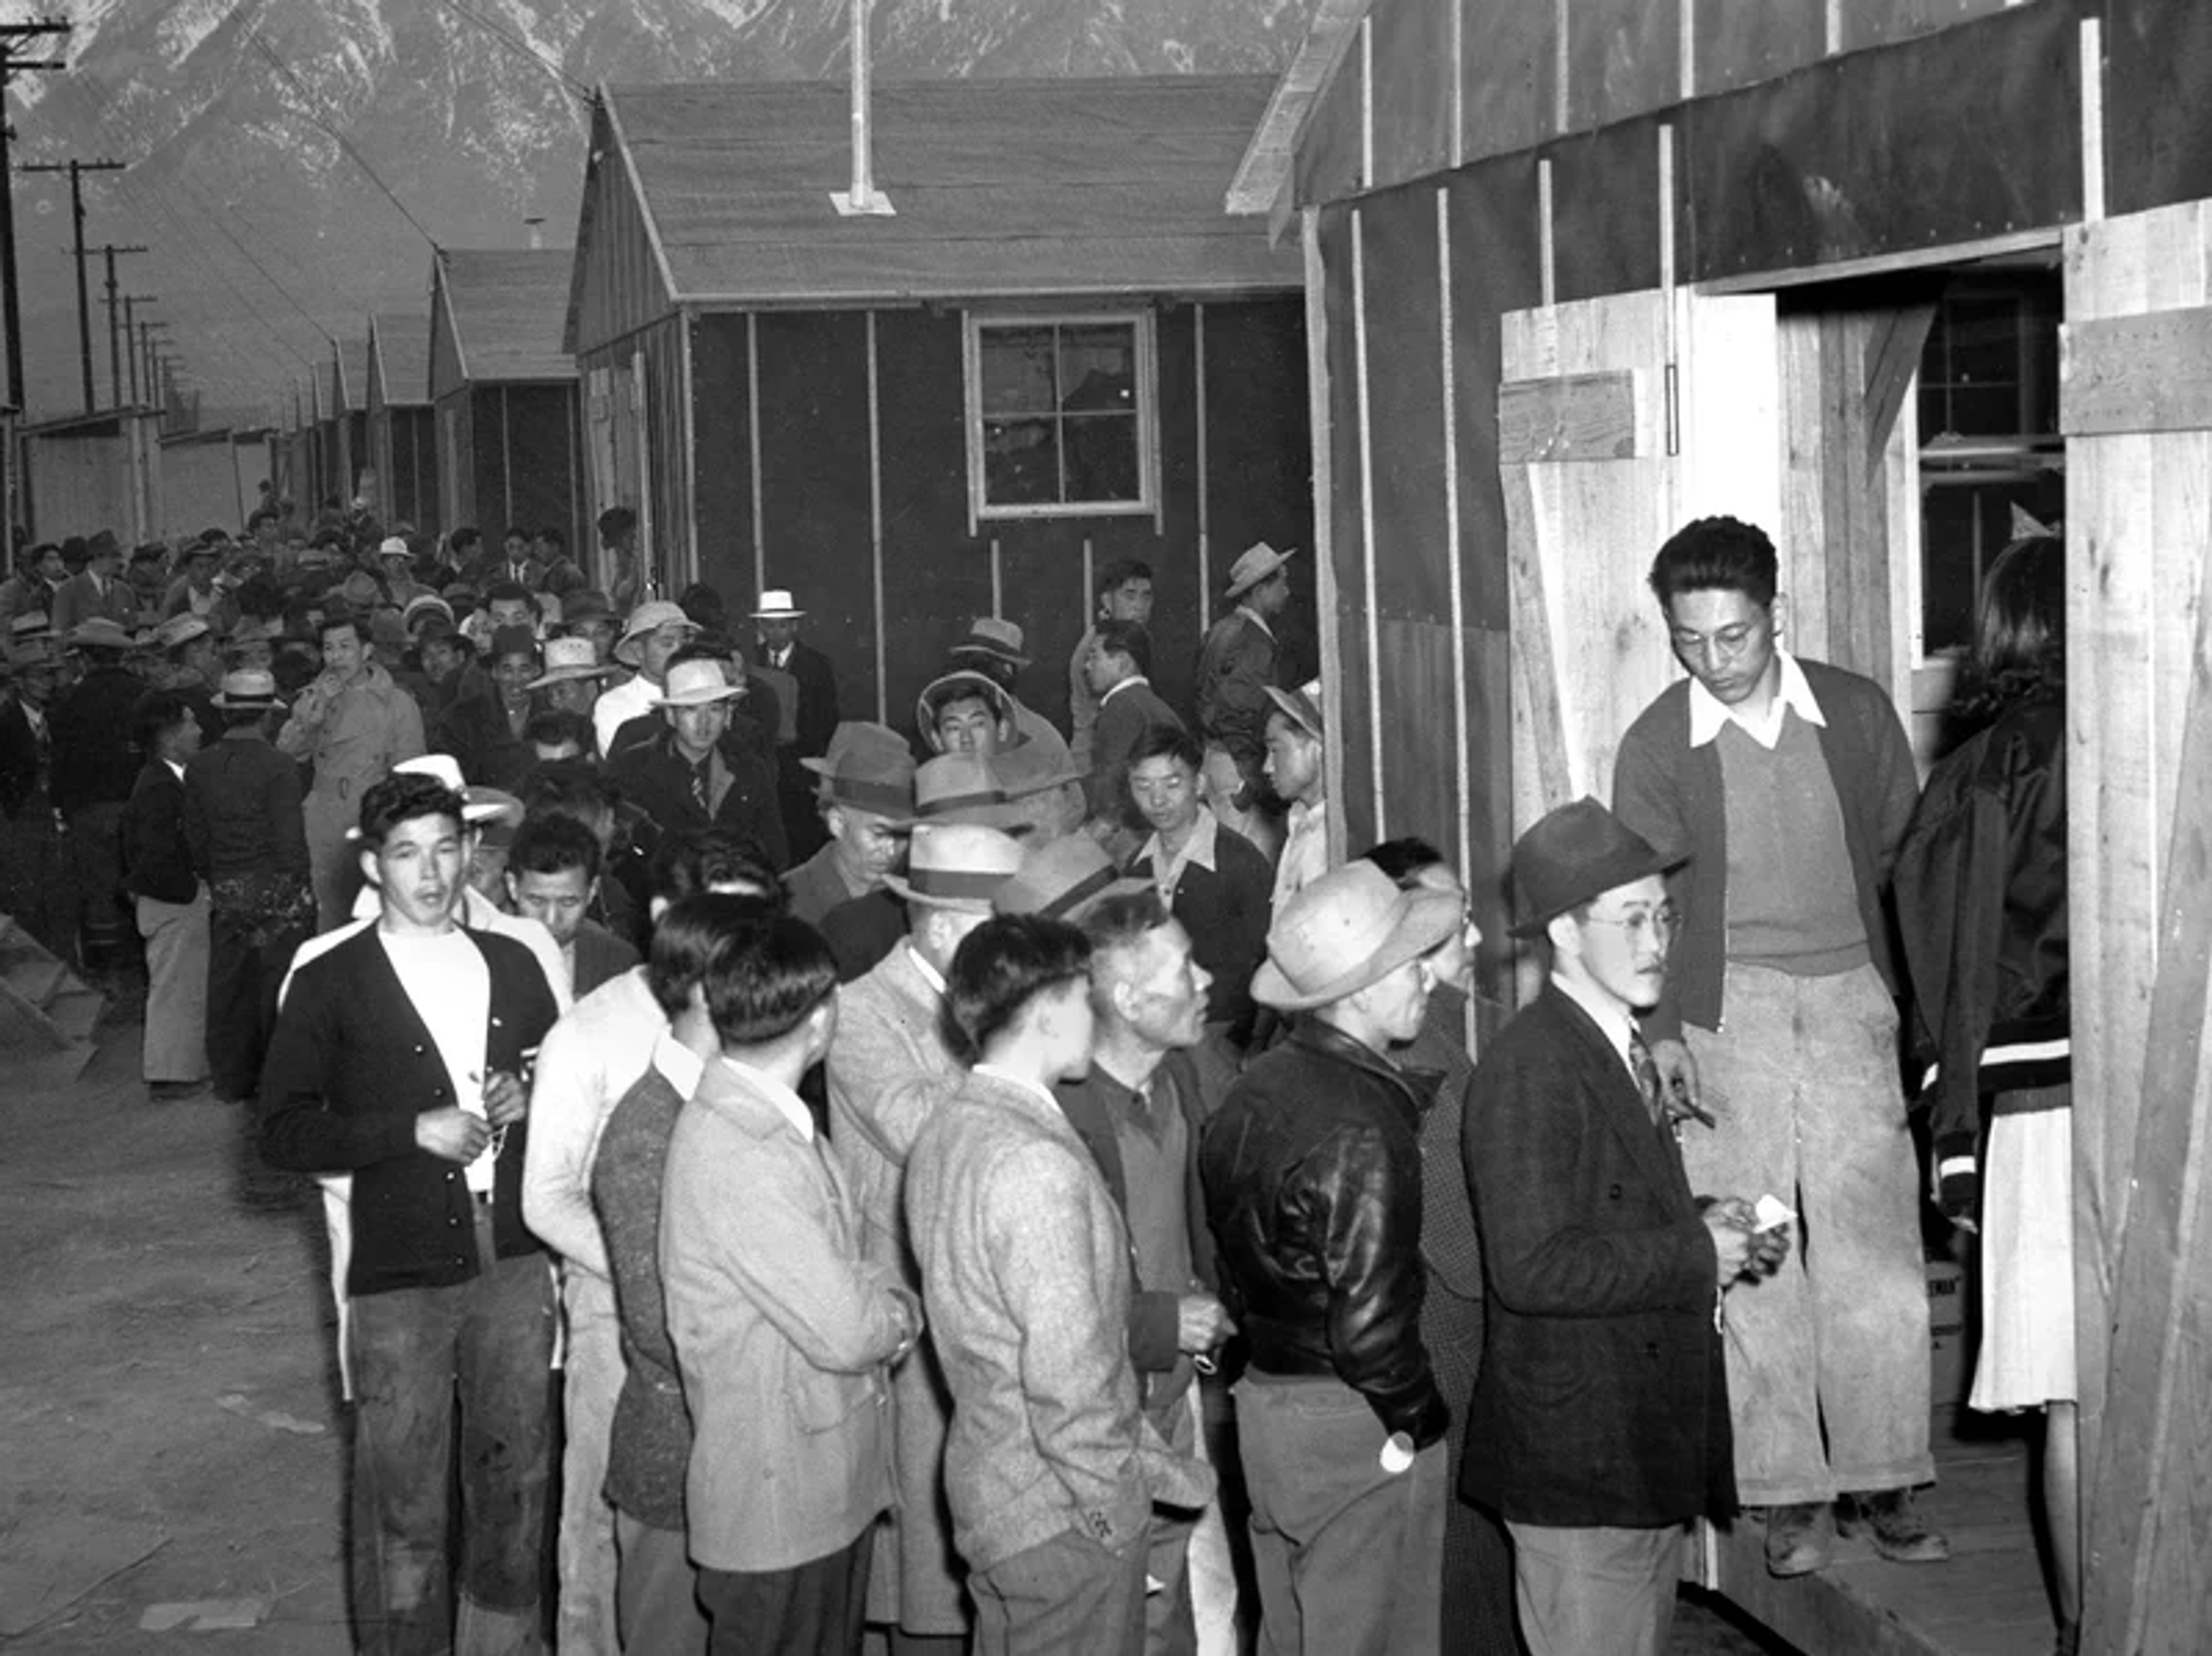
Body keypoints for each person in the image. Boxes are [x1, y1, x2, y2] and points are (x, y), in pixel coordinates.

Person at [1611, 515, 1941, 1574]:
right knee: (1756, 1250)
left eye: (1735, 637)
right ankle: (1786, 1490)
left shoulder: (1851, 712)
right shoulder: (1660, 742)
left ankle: (1885, 1476)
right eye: (1690, 641)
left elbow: (1909, 863)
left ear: (1776, 617)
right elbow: (1641, 904)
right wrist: (1661, 1033)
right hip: (1724, 1014)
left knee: (1874, 1248)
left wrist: (1912, 1011)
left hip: (1850, 1000)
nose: (1713, 661)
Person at [1464, 797, 1783, 1656]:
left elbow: (1604, 1211)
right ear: (1565, 930)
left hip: (1633, 1446)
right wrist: (1692, 1251)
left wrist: (1706, 1225)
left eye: (1665, 916)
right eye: (1632, 918)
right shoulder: (1533, 1066)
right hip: (1580, 1465)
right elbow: (1531, 1267)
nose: (1658, 941)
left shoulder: (1613, 1043)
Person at [258, 770, 564, 1654]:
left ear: (470, 851)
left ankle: (502, 1645)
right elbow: (282, 1132)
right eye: (405, 854)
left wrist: (524, 1092)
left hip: (512, 1257)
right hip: (397, 1270)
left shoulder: (515, 959)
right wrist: (407, 1130)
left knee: (516, 1480)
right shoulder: (330, 973)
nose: (429, 873)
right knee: (405, 1498)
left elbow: (555, 1078)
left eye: (444, 849)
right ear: (372, 861)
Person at [908, 914, 1214, 1656]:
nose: (1096, 1014)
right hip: (1058, 1518)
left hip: (1001, 1492)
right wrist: (1115, 1519)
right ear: (1046, 1013)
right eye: (1085, 997)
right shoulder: (1033, 1163)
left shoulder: (952, 1128)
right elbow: (1069, 1382)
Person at [523, 828, 784, 1656]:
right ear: (670, 918)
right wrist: (654, 1269)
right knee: (603, 1523)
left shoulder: (753, 1019)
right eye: (725, 928)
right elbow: (548, 1199)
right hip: (616, 1315)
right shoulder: (591, 1035)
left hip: (735, 1316)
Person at [1892, 533, 2077, 1653]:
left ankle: (2084, 1629)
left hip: (2040, 1112)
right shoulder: (2159, 728)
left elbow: (1942, 959)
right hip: (2165, 1109)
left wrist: (1953, 1134)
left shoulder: (1975, 773)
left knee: (2074, 1401)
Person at [1199, 859, 1458, 1656]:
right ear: (1361, 986)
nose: (1426, 978)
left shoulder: (1254, 1086)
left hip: (1267, 1407)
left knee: (1288, 1632)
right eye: (1411, 962)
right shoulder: (1364, 1125)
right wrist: (1422, 1420)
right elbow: (1371, 1328)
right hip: (1355, 1425)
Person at [998, 844, 1240, 1656]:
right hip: (1102, 1428)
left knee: (1172, 1619)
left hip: (1172, 1409)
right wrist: (1165, 1319)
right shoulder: (1060, 1123)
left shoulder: (1184, 1075)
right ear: (1129, 999)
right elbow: (1048, 1315)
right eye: (1184, 968)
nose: (1206, 980)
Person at [664, 913, 923, 1654]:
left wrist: (870, 1294)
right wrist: (903, 1313)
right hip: (779, 1505)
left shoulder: (770, 1121)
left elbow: (841, 1271)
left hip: (814, 1487)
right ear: (822, 1018)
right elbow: (847, 1327)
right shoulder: (742, 1150)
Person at [824, 823, 1027, 1653]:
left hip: (984, 1290)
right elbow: (924, 1129)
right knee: (926, 1550)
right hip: (912, 1303)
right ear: (944, 927)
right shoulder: (867, 1010)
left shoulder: (984, 1003)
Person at [590, 893, 764, 1654]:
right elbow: (660, 1324)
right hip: (679, 1466)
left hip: (746, 1456)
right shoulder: (647, 1128)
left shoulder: (742, 1097)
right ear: (700, 989)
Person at [1359, 837, 1518, 1653]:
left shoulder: (1441, 1035)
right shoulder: (1419, 1053)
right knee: (1464, 1563)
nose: (1477, 934)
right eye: (1454, 916)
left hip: (1438, 1343)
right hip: (1448, 1344)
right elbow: (1456, 1245)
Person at [183, 669, 316, 1105]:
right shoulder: (280, 766)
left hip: (229, 888)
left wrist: (219, 878)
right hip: (278, 890)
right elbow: (290, 841)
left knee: (231, 988)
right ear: (267, 718)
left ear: (226, 716)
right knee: (280, 985)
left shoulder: (200, 766)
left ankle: (232, 1080)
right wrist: (296, 889)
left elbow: (196, 838)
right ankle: (283, 1079)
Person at [277, 611, 427, 929]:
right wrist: (312, 718)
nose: (336, 657)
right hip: (325, 818)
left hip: (377, 815)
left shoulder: (397, 703)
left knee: (381, 909)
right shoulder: (313, 697)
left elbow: (411, 772)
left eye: (346, 647)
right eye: (329, 649)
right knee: (329, 912)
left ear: (367, 650)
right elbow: (287, 755)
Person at [1125, 726, 1272, 1049]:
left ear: (1200, 784)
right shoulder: (1136, 867)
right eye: (1143, 786)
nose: (1158, 799)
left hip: (1220, 1034)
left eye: (1173, 784)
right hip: (1154, 1033)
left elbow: (1264, 960)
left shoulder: (1239, 862)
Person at [608, 653, 789, 865]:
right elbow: (619, 854)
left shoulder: (748, 767)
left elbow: (774, 849)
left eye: (715, 709)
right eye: (691, 709)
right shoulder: (634, 767)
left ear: (727, 715)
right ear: (670, 716)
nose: (704, 722)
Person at [122, 689, 210, 1100]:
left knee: (180, 985)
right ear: (170, 734)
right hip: (172, 898)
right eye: (190, 722)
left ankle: (180, 1069)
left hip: (169, 896)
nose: (198, 730)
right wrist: (189, 889)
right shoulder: (161, 785)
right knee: (174, 987)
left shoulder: (161, 779)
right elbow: (157, 852)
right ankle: (171, 1075)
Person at [49, 618, 150, 969]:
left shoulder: (69, 700)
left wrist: (62, 805)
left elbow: (60, 760)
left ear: (86, 659)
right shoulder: (142, 693)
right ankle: (142, 967)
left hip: (89, 811)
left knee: (99, 891)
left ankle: (109, 974)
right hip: (139, 807)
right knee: (141, 888)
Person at [785, 721, 915, 927]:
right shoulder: (787, 905)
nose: (890, 850)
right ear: (837, 823)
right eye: (878, 834)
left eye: (901, 835)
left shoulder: (913, 905)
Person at [1194, 542, 1292, 804]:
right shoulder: (1253, 641)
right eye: (1281, 584)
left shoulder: (1221, 630)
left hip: (1216, 758)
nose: (1287, 592)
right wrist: (1251, 778)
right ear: (1260, 591)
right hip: (1237, 768)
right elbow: (1236, 714)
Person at [507, 811, 639, 999]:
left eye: (568, 902)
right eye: (537, 901)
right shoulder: (482, 953)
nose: (551, 919)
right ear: (512, 886)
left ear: (593, 890)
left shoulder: (617, 962)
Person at [753, 587, 842, 862]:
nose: (776, 633)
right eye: (769, 626)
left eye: (782, 626)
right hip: (765, 767)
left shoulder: (817, 665)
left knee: (804, 838)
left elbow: (828, 721)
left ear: (794, 627)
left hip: (804, 769)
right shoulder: (749, 661)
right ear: (760, 627)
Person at [1085, 619, 1184, 848]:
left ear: (1122, 662)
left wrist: (1085, 847)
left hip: (1142, 837)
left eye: (1094, 657)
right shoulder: (1150, 704)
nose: (1087, 666)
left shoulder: (1121, 707)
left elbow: (1111, 795)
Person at [1070, 559, 1156, 774]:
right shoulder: (1099, 649)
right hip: (1095, 766)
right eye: (1130, 595)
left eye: (1147, 596)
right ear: (1107, 601)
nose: (1139, 605)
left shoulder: (1133, 639)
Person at [433, 623, 539, 795]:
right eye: (507, 670)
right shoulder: (460, 719)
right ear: (494, 672)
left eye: (524, 669)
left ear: (537, 671)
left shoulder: (551, 713)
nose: (516, 680)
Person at [594, 599, 701, 757]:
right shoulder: (614, 704)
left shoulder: (702, 694)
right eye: (667, 644)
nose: (679, 651)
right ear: (639, 651)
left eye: (684, 642)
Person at [1263, 681, 1328, 920]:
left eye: (1275, 750)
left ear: (1317, 749)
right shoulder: (1300, 823)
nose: (1267, 767)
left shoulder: (1334, 837)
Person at [51, 530, 138, 635]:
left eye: (119, 556)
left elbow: (132, 628)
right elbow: (59, 632)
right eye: (113, 556)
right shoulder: (68, 590)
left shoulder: (125, 591)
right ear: (96, 558)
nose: (119, 561)